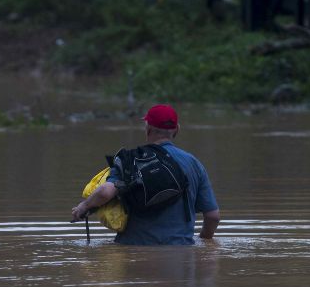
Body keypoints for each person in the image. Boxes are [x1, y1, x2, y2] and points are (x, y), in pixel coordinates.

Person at [71, 104, 220, 245]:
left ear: (147, 128)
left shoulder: (129, 160)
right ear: (177, 130)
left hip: (132, 250)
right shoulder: (194, 164)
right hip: (181, 251)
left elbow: (105, 192)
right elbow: (213, 217)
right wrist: (203, 240)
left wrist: (84, 206)